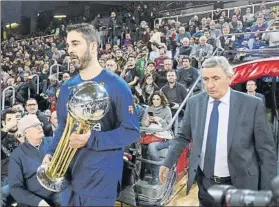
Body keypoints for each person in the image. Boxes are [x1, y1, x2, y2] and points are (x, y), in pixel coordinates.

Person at [42, 23, 140, 206]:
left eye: (75, 43)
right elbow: (63, 127)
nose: (69, 50)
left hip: (101, 182)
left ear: (93, 46)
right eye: (68, 45)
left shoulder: (117, 86)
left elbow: (131, 131)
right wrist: (51, 153)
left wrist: (91, 138)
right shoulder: (67, 87)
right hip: (69, 179)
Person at [159, 56, 277, 207]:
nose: (210, 85)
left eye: (215, 78)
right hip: (206, 184)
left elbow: (266, 152)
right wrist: (167, 162)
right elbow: (182, 136)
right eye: (206, 79)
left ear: (229, 77)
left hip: (241, 185)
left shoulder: (252, 105)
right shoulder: (194, 103)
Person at [8, 114, 60, 207]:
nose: (39, 127)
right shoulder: (17, 155)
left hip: (61, 192)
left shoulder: (53, 142)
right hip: (35, 199)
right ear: (25, 132)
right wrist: (39, 202)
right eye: (34, 126)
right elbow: (15, 188)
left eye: (40, 124)